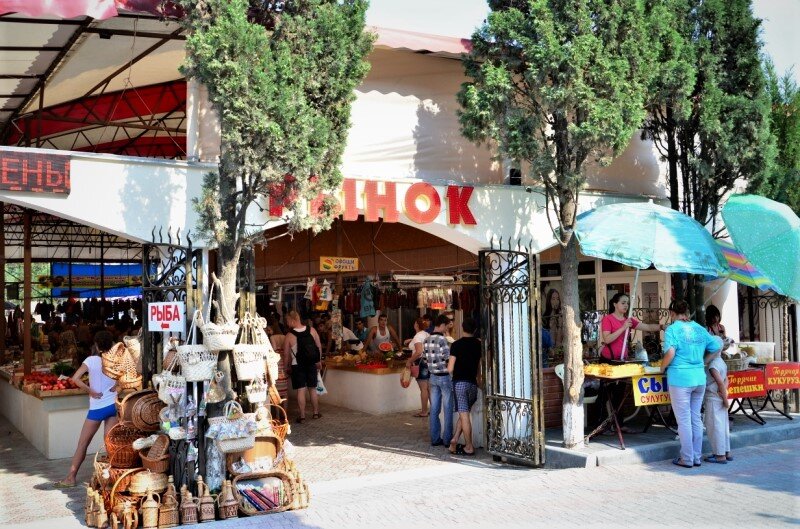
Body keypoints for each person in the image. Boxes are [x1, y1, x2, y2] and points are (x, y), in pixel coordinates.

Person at [661, 299, 723, 468]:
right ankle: (696, 457)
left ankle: (687, 458)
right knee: (695, 418)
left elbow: (670, 352)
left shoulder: (672, 329)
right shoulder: (699, 328)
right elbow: (717, 345)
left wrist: (662, 367)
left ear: (672, 313)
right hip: (699, 379)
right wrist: (704, 361)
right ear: (687, 312)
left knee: (684, 420)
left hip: (680, 378)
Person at [56, 330, 119, 487]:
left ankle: (71, 478)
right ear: (111, 344)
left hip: (97, 408)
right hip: (113, 405)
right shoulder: (115, 360)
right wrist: (118, 386)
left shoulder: (91, 360)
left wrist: (90, 391)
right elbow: (128, 377)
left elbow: (75, 378)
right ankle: (114, 479)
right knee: (110, 445)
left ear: (96, 345)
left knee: (83, 444)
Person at [598, 293, 664, 431]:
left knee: (619, 392)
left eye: (627, 303)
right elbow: (607, 339)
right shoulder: (608, 319)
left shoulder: (629, 320)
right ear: (615, 304)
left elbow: (647, 327)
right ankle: (601, 425)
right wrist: (623, 327)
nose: (626, 305)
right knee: (606, 393)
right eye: (623, 302)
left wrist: (662, 327)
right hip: (608, 360)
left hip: (622, 361)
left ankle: (619, 424)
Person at [447, 317, 481, 456]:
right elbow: (480, 366)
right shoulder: (479, 344)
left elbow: (450, 368)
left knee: (464, 415)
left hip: (459, 383)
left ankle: (469, 446)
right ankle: (455, 439)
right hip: (473, 384)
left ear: (462, 327)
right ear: (475, 329)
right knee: (464, 413)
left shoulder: (456, 345)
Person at [282, 310, 323, 423]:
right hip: (311, 364)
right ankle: (316, 413)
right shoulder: (312, 330)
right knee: (312, 389)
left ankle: (302, 416)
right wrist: (318, 361)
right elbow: (319, 346)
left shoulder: (289, 336)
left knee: (301, 390)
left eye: (287, 321)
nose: (287, 323)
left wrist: (285, 367)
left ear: (292, 320)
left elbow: (286, 355)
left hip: (297, 365)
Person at [422, 315, 453, 447]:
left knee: (434, 409)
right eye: (446, 326)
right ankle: (447, 440)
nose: (447, 329)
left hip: (432, 377)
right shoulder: (442, 340)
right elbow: (447, 359)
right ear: (442, 325)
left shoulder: (426, 339)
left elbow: (424, 359)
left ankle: (435, 439)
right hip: (444, 376)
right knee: (447, 409)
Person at [704, 350, 732, 464]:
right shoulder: (721, 362)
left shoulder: (713, 365)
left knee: (715, 427)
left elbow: (720, 382)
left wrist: (725, 399)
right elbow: (726, 380)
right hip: (720, 397)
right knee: (723, 426)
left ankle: (720, 455)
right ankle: (726, 452)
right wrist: (724, 393)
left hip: (714, 398)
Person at [405, 318, 430, 418]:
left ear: (416, 325)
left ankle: (424, 411)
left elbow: (419, 351)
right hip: (428, 361)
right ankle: (434, 409)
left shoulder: (417, 336)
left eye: (415, 323)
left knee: (423, 388)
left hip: (420, 362)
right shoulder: (426, 334)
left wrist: (409, 361)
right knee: (429, 388)